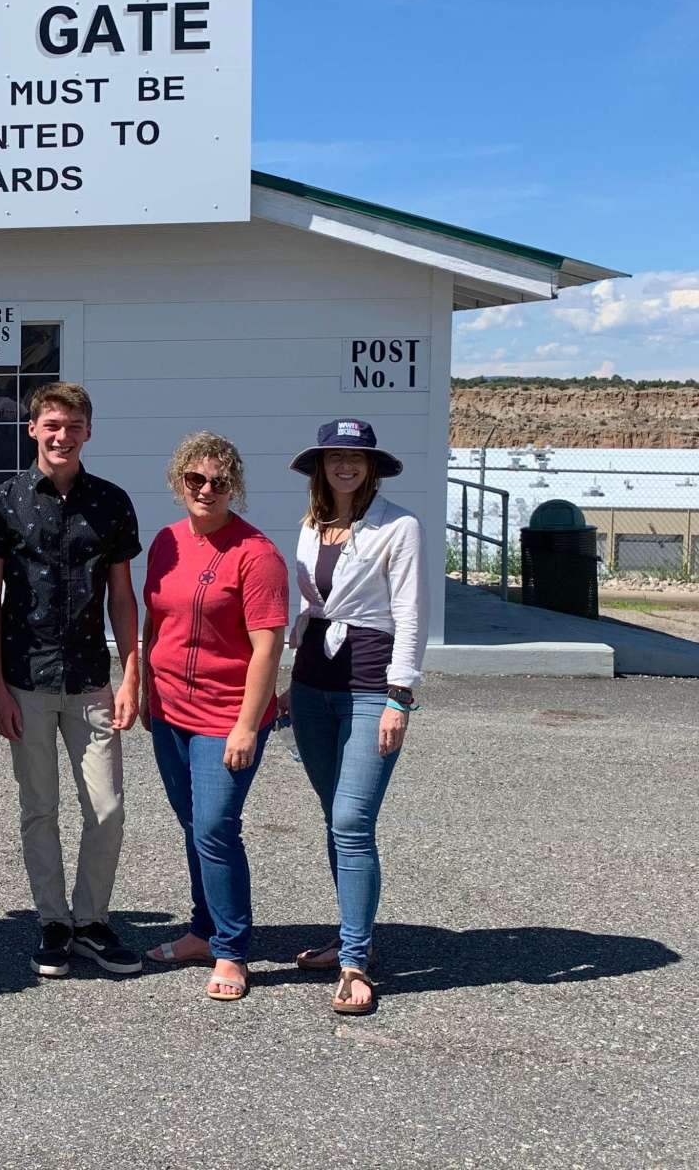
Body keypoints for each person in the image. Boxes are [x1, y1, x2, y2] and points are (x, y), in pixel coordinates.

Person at [0, 382, 143, 978]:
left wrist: (132, 674)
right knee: (39, 807)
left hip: (93, 678)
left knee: (108, 807)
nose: (61, 435)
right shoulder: (1, 503)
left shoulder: (112, 503)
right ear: (32, 429)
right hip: (25, 679)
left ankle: (92, 920)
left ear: (88, 432)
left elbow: (122, 596)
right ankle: (52, 920)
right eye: (50, 424)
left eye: (72, 425)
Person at [139, 432, 288, 1003]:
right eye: (195, 479)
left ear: (235, 486)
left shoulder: (256, 554)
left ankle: (231, 949)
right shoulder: (167, 543)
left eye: (219, 481)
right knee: (192, 825)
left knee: (215, 828)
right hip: (171, 711)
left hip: (226, 716)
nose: (206, 489)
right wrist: (149, 690)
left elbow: (267, 646)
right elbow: (156, 623)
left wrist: (248, 725)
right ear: (179, 482)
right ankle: (202, 929)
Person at [286, 419, 423, 1017]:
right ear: (322, 466)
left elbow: (410, 612)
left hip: (369, 686)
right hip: (312, 682)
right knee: (332, 817)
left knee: (352, 819)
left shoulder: (400, 525)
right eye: (335, 457)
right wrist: (286, 677)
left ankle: (355, 962)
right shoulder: (311, 525)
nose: (345, 465)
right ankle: (345, 939)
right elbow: (307, 608)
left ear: (371, 466)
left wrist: (401, 696)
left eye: (356, 457)